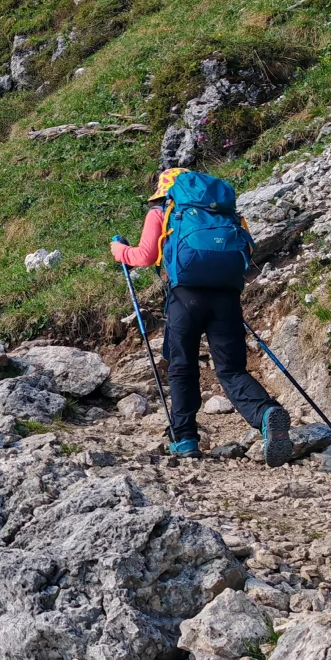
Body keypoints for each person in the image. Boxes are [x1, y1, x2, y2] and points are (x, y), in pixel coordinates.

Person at [111, 167, 294, 465]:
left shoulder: (163, 211)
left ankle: (184, 439)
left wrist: (119, 251)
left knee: (182, 367)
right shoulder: (225, 213)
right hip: (226, 298)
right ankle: (266, 413)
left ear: (165, 189)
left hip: (184, 299)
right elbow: (247, 254)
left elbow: (144, 256)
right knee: (232, 369)